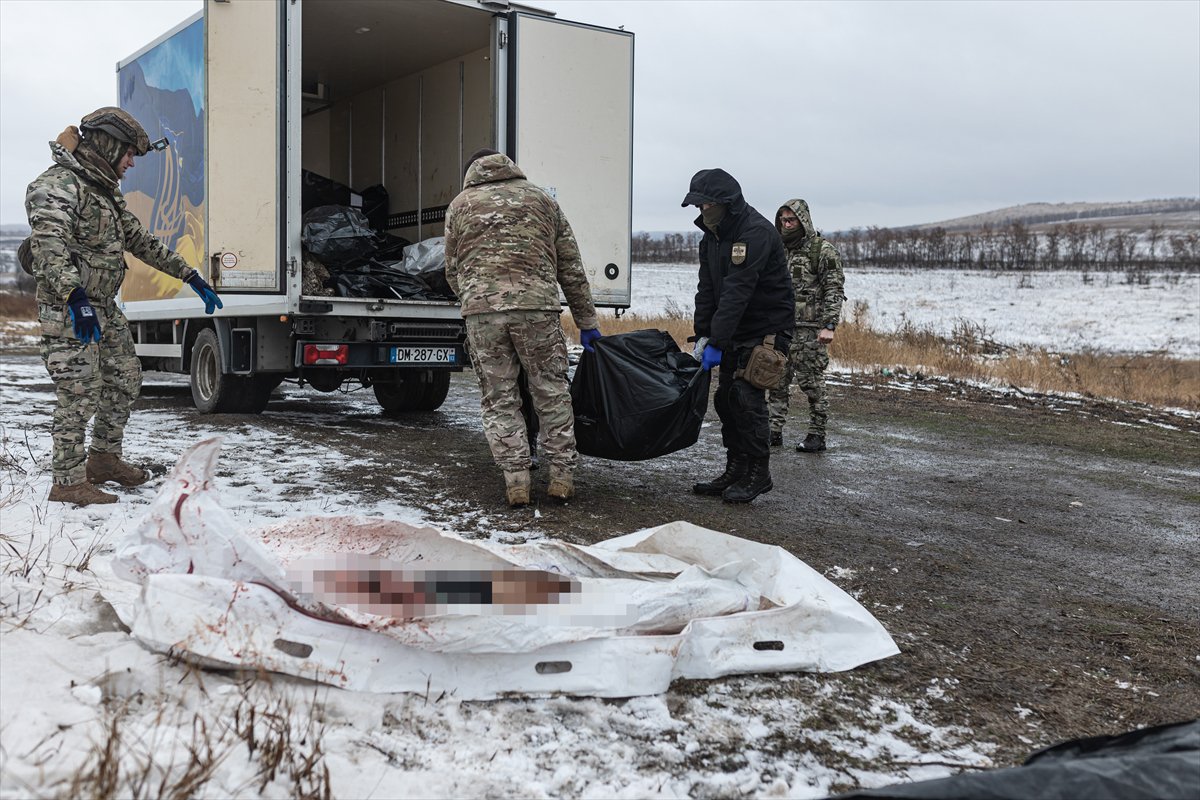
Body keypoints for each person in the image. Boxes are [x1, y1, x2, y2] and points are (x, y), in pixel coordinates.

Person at [25, 107, 222, 507]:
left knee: (125, 379)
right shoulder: (57, 186)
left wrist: (189, 275)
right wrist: (74, 298)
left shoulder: (104, 191)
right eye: (129, 153)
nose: (131, 162)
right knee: (79, 391)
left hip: (103, 306)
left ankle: (103, 460)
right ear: (108, 145)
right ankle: (67, 481)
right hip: (69, 307)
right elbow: (49, 248)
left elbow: (139, 240)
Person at [444, 149, 601, 507]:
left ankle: (516, 481)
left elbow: (452, 269)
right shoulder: (542, 200)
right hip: (537, 310)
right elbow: (571, 267)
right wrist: (587, 321)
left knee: (499, 397)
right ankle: (561, 477)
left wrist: (474, 299)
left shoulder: (460, 205)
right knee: (551, 391)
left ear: (471, 171)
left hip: (483, 313)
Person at [684, 169, 794, 504]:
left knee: (747, 398)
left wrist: (717, 341)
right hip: (734, 329)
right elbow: (707, 290)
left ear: (726, 203)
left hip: (766, 327)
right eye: (699, 206)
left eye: (707, 204)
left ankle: (759, 473)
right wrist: (703, 334)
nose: (703, 211)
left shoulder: (754, 233)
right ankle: (736, 468)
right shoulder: (712, 238)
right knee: (726, 399)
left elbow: (737, 290)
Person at [767, 199, 846, 452]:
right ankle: (773, 431)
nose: (787, 225)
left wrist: (829, 325)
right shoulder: (778, 249)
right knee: (776, 380)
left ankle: (817, 434)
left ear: (803, 221)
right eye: (783, 220)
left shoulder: (822, 250)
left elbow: (834, 289)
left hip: (811, 331)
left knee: (811, 383)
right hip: (781, 328)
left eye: (791, 220)